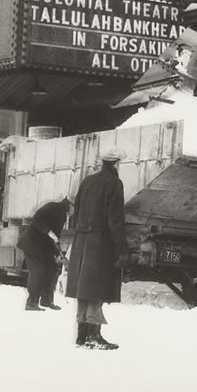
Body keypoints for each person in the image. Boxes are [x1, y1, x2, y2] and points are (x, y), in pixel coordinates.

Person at [66, 147, 128, 350]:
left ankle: (81, 335)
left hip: (82, 241)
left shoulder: (87, 181)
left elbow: (75, 214)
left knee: (84, 288)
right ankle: (93, 334)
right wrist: (121, 249)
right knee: (96, 287)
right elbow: (115, 220)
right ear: (117, 163)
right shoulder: (114, 183)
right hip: (100, 242)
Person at [18, 197, 72, 311]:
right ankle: (31, 303)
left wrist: (58, 253)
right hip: (31, 244)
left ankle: (47, 300)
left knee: (52, 269)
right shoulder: (52, 207)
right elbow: (36, 219)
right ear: (69, 205)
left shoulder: (62, 216)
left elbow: (55, 237)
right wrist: (48, 231)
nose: (75, 211)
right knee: (38, 271)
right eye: (75, 208)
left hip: (42, 247)